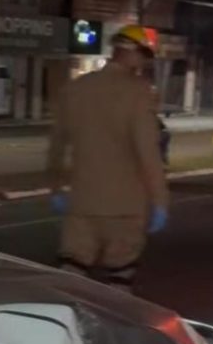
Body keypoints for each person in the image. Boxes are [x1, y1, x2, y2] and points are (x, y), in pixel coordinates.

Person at [47, 25, 168, 291]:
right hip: (125, 208)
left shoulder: (76, 88)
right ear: (133, 53)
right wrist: (159, 201)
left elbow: (57, 145)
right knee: (119, 277)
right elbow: (147, 151)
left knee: (72, 273)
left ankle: (66, 324)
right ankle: (105, 329)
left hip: (82, 202)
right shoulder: (138, 93)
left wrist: (56, 187)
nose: (145, 63)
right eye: (144, 56)